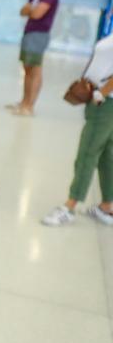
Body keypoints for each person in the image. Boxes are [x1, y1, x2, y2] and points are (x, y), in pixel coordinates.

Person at [41, 45, 113, 227]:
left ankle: (69, 206)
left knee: (87, 153)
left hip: (105, 103)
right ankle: (107, 206)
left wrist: (100, 93)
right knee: (107, 155)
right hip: (105, 100)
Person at [7, 0, 60, 116]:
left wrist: (31, 9)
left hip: (39, 34)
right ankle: (24, 102)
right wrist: (31, 9)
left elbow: (37, 14)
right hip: (29, 32)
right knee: (27, 69)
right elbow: (23, 11)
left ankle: (29, 106)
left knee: (35, 70)